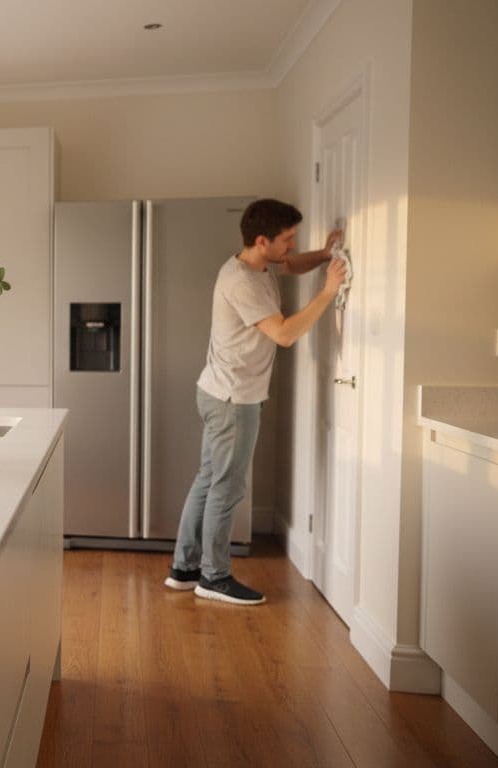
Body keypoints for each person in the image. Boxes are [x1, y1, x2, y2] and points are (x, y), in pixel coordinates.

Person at [164, 198, 348, 606]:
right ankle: (213, 577)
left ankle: (184, 568)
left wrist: (324, 255)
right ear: (262, 240)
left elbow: (292, 264)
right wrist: (328, 293)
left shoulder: (254, 264)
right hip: (233, 400)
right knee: (225, 489)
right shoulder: (242, 282)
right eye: (286, 240)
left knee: (208, 480)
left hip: (218, 391)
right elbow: (283, 334)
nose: (291, 246)